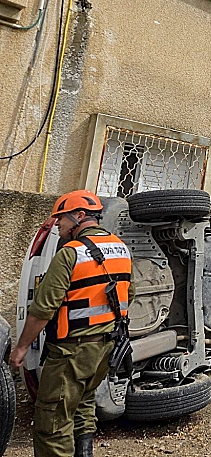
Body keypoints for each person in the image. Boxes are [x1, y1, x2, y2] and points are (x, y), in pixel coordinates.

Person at [9, 190, 133, 457]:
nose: (57, 225)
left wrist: (20, 349)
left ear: (79, 216)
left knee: (52, 422)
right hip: (105, 348)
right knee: (83, 402)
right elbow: (127, 295)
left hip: (72, 351)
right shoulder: (121, 248)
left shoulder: (71, 253)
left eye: (61, 219)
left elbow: (43, 308)